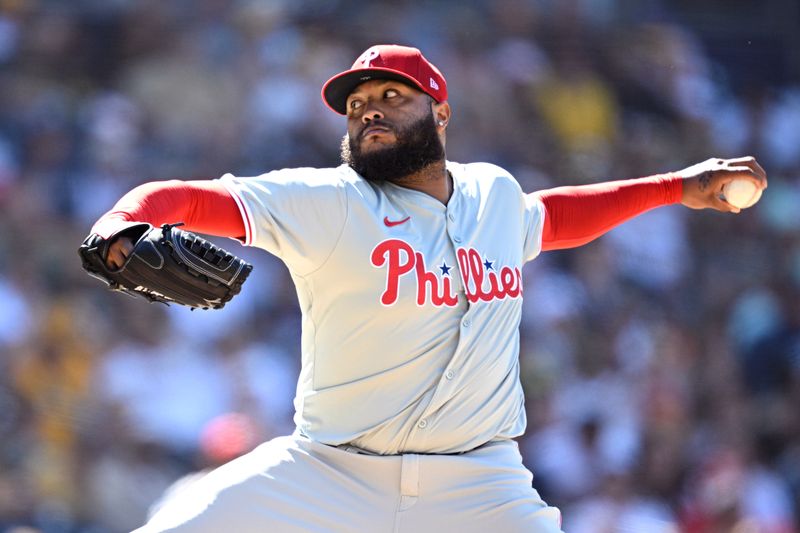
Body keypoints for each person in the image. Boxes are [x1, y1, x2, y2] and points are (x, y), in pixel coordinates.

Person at [89, 45, 767, 532]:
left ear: (440, 113)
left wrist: (677, 187)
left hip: (480, 486)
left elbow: (554, 217)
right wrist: (123, 224)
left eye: (391, 96)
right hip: (328, 473)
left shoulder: (494, 194)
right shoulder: (326, 202)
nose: (370, 111)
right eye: (356, 105)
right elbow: (184, 197)